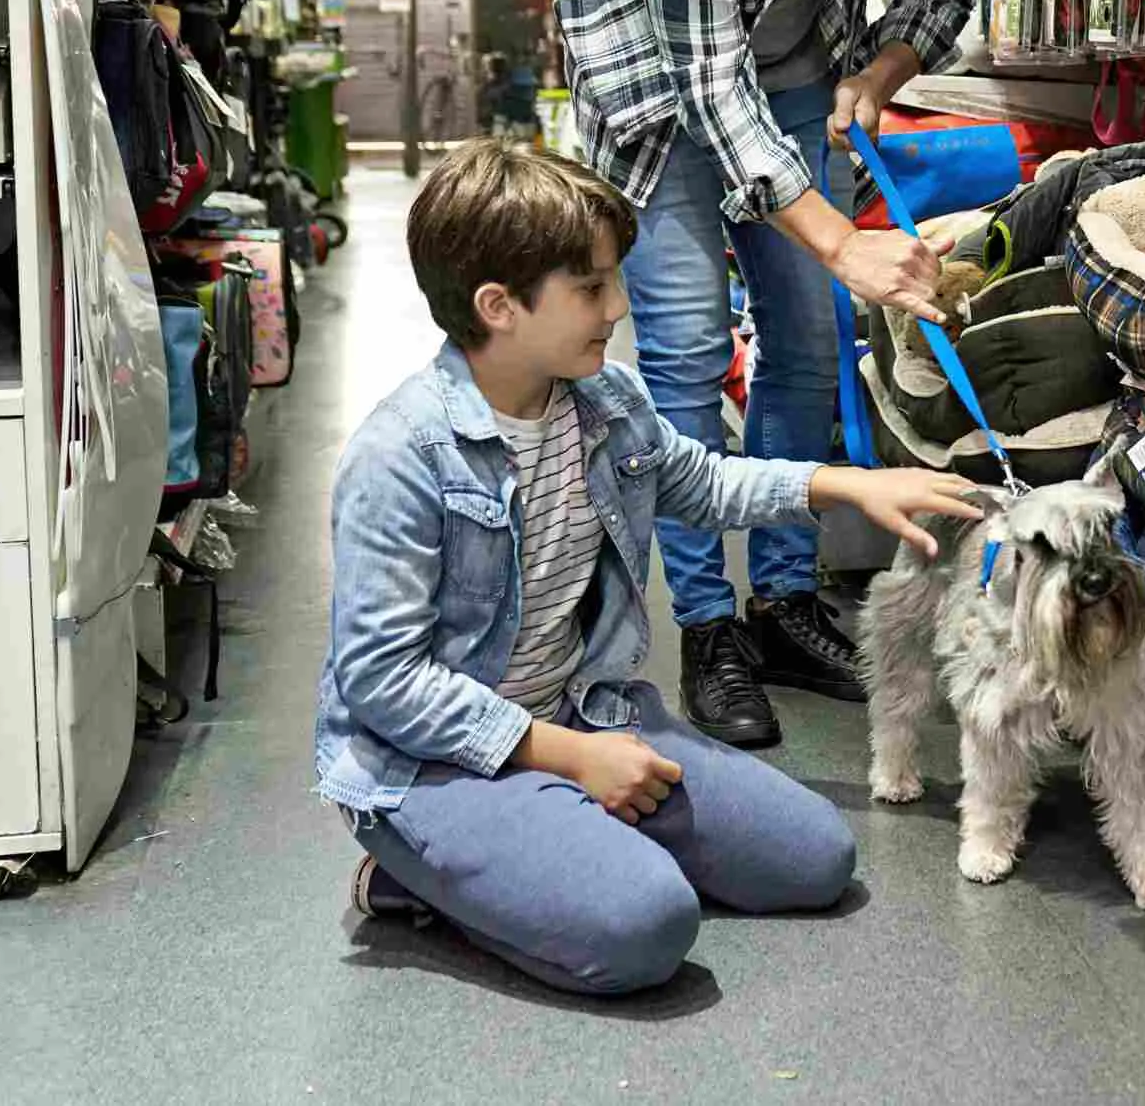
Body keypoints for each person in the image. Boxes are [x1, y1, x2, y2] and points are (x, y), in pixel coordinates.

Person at [314, 139, 982, 995]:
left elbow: (703, 480)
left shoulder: (606, 404)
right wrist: (566, 760)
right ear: (498, 306)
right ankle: (413, 878)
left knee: (817, 859)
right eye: (592, 287)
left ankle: (542, 849)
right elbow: (382, 683)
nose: (619, 305)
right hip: (432, 764)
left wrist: (846, 483)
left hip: (579, 709)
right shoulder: (401, 455)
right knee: (645, 925)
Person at [556, 0, 980, 746]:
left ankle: (784, 601)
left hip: (795, 75)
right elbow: (707, 85)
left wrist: (877, 77)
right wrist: (842, 242)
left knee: (805, 340)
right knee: (690, 351)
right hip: (655, 84)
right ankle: (707, 625)